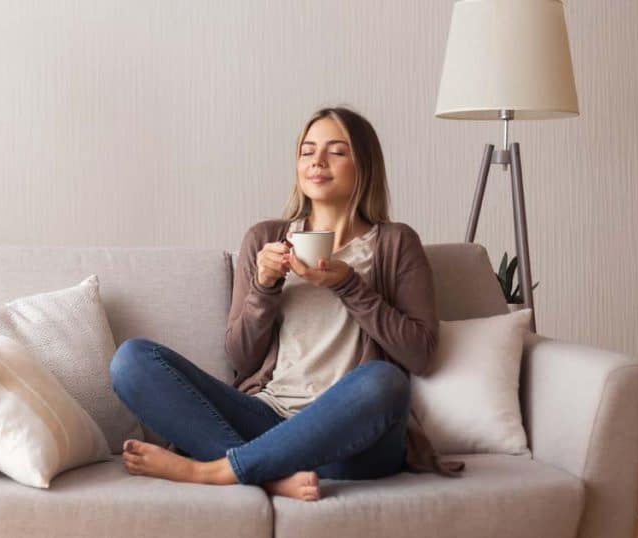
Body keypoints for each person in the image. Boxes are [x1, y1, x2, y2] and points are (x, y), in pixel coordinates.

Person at [109, 105, 464, 502]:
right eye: (308, 150)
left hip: (351, 442)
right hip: (268, 421)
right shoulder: (266, 239)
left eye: (336, 151)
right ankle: (268, 476)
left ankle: (213, 469)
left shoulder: (396, 243)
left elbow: (421, 355)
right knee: (132, 360)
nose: (317, 161)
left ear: (364, 164)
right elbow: (242, 359)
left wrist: (349, 284)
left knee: (385, 381)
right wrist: (264, 286)